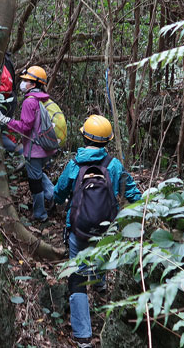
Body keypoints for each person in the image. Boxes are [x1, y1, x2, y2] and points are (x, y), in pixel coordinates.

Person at [52, 114, 142, 348]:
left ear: (84, 137)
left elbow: (59, 194)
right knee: (102, 250)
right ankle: (101, 283)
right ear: (107, 141)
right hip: (106, 228)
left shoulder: (74, 165)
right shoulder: (113, 165)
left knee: (77, 279)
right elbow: (131, 192)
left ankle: (83, 338)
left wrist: (59, 198)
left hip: (78, 229)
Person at [0, 66, 57, 222]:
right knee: (38, 175)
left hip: (34, 150)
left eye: (26, 80)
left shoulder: (29, 101)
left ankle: (40, 214)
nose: (23, 83)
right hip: (44, 148)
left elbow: (25, 127)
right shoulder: (40, 98)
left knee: (35, 182)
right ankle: (54, 196)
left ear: (34, 84)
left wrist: (5, 120)